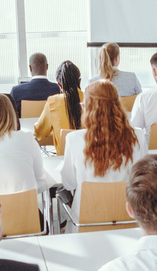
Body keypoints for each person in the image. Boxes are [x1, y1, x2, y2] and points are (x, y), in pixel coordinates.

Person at [61, 80, 148, 222]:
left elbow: (69, 184)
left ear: (89, 108)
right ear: (117, 104)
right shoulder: (138, 136)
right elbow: (142, 178)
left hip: (86, 220)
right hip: (127, 217)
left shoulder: (73, 139)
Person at [33, 60, 84, 152]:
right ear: (79, 81)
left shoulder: (53, 102)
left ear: (59, 85)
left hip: (64, 159)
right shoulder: (94, 99)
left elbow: (39, 133)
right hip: (91, 159)